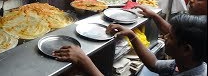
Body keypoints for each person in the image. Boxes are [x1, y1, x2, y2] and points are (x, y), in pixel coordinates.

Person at [53, 14, 207, 76]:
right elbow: (154, 64)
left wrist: (84, 60)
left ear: (186, 49)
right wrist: (132, 35)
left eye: (171, 37)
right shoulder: (188, 64)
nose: (165, 37)